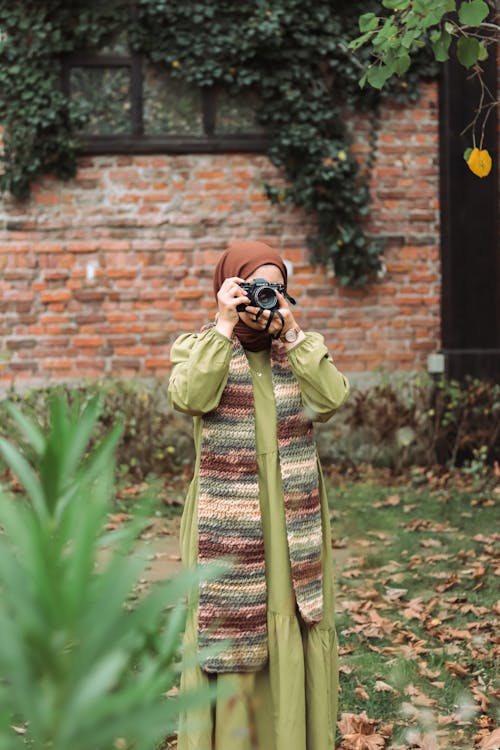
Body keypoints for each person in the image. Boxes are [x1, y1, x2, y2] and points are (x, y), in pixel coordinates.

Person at [167, 240, 350, 750]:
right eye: (251, 287)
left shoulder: (295, 349)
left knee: (292, 613)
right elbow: (190, 396)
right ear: (227, 287)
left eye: (274, 288)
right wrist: (223, 326)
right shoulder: (200, 345)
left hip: (292, 510)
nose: (261, 298)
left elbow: (331, 398)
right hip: (227, 512)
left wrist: (292, 330)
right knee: (232, 619)